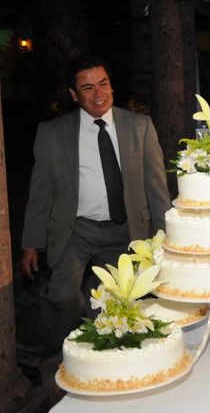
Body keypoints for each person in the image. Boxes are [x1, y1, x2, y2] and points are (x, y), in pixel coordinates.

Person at [18, 54, 171, 384]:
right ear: (74, 94)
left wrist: (164, 236)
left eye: (103, 84)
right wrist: (31, 242)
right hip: (77, 229)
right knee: (62, 295)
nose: (98, 93)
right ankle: (30, 352)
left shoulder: (139, 126)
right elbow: (40, 192)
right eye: (87, 88)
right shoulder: (52, 132)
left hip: (128, 230)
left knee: (123, 299)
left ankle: (108, 357)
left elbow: (156, 187)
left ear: (111, 86)